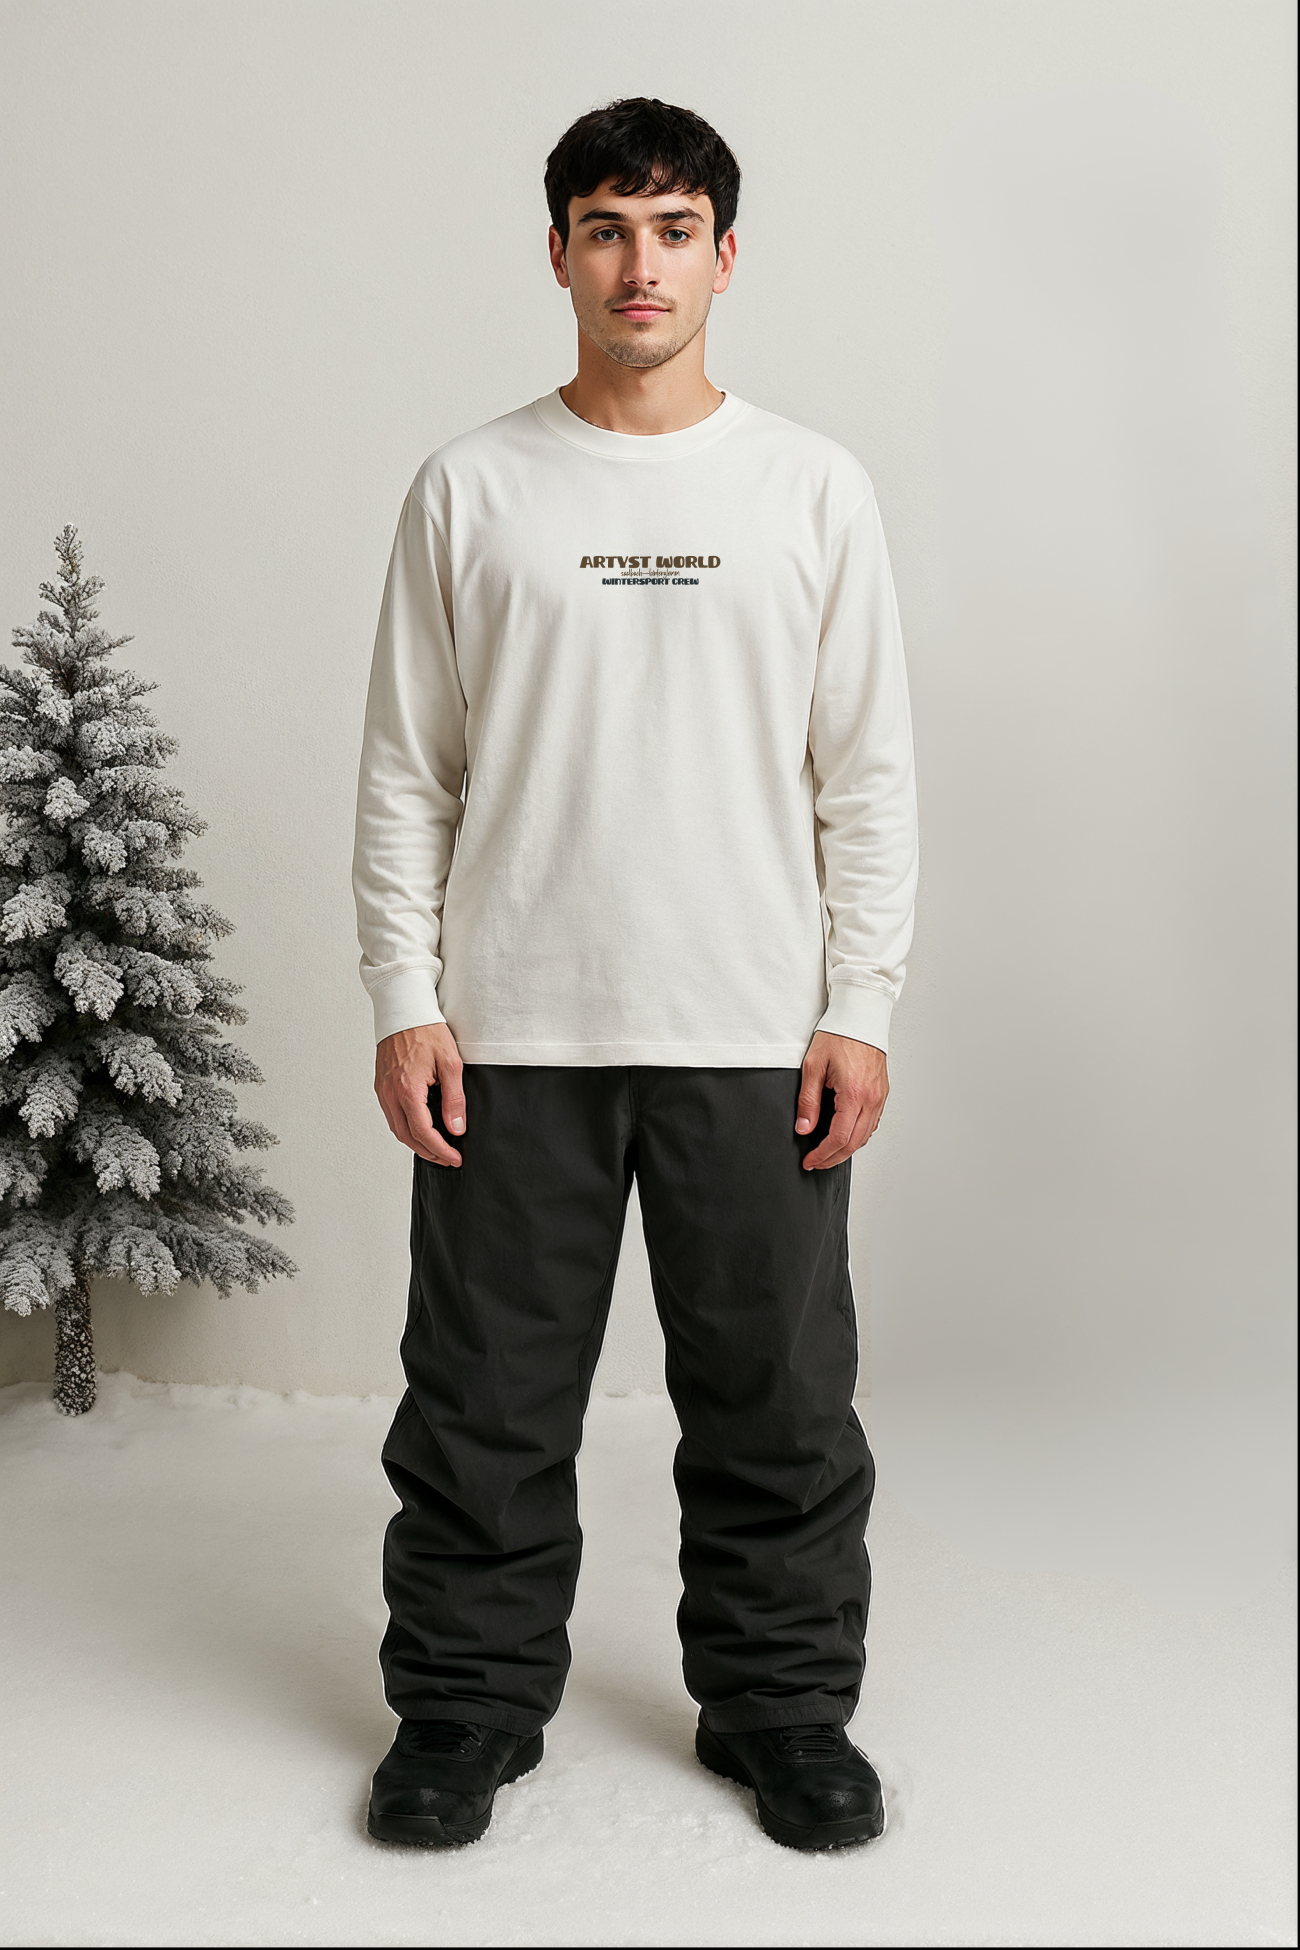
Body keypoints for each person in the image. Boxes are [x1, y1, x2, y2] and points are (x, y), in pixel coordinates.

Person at [350, 96, 918, 1853]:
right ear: (559, 254)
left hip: (753, 1028)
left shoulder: (812, 487)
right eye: (607, 228)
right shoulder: (470, 486)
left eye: (674, 230)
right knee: (482, 1404)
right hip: (513, 1026)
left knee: (778, 1402)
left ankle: (782, 1709)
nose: (640, 264)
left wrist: (860, 1006)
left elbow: (868, 777)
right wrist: (404, 996)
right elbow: (407, 770)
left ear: (726, 257)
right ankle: (463, 1707)